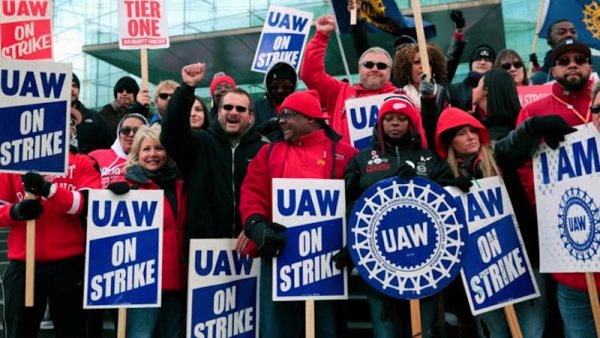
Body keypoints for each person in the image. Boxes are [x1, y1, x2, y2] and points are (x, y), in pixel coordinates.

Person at [495, 37, 599, 338]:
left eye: (579, 59)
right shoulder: (536, 110)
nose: (573, 65)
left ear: (590, 66)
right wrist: (544, 211)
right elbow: (521, 166)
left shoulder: (598, 103)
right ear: (553, 69)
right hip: (565, 239)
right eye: (564, 61)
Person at [343, 96, 470, 338]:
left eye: (402, 119)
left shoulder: (430, 158)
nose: (395, 123)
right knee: (385, 334)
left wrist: (455, 184)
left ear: (411, 124)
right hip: (377, 265)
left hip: (425, 264)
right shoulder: (362, 159)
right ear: (380, 124)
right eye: (389, 118)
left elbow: (444, 197)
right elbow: (348, 205)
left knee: (422, 332)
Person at [238, 89, 357, 338]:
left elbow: (358, 199)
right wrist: (256, 225)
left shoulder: (345, 154)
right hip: (278, 254)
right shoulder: (269, 152)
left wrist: (354, 242)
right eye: (280, 115)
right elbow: (252, 193)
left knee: (327, 330)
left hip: (328, 260)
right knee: (277, 330)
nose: (280, 120)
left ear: (312, 118)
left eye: (288, 114)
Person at [435, 107, 547, 338]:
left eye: (473, 131)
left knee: (532, 332)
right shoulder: (444, 176)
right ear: (449, 142)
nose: (470, 137)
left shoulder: (500, 156)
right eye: (461, 133)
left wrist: (533, 125)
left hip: (525, 259)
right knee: (496, 333)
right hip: (482, 271)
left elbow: (516, 141)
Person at [0, 118, 101, 338]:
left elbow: (85, 206)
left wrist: (49, 190)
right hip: (24, 263)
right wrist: (15, 211)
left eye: (67, 125)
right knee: (19, 332)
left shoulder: (83, 162)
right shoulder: (11, 165)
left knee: (73, 331)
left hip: (68, 265)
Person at [161, 62, 266, 245]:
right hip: (206, 251)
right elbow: (171, 132)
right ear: (218, 113)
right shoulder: (200, 143)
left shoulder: (264, 149)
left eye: (240, 109)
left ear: (251, 117)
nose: (233, 112)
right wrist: (187, 88)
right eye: (227, 107)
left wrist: (258, 227)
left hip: (250, 246)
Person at [107, 125, 187, 338]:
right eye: (146, 149)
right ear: (137, 154)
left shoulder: (181, 184)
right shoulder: (126, 188)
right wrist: (111, 197)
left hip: (178, 282)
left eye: (159, 148)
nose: (153, 154)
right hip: (141, 284)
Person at [301, 14, 400, 144]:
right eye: (369, 65)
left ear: (389, 72)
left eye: (381, 66)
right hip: (346, 163)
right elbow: (310, 74)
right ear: (359, 69)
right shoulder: (339, 92)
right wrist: (321, 36)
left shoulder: (399, 97)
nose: (374, 69)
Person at [88, 113, 149, 188]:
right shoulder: (95, 156)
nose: (131, 134)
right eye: (126, 130)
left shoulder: (150, 161)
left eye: (137, 131)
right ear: (119, 133)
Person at [438, 44, 496, 112]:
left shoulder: (498, 90)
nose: (482, 62)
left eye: (487, 60)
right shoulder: (454, 91)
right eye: (478, 59)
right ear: (471, 64)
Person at [471, 68, 521, 140]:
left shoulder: (494, 136)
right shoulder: (519, 125)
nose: (473, 89)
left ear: (486, 90)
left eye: (477, 85)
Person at [253, 61, 297, 139]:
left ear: (293, 86)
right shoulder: (258, 106)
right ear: (268, 86)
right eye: (274, 87)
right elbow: (251, 132)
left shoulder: (301, 105)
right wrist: (269, 125)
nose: (280, 90)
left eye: (286, 87)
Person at [99, 76, 150, 141]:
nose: (124, 93)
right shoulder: (105, 113)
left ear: (135, 94)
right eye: (120, 90)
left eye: (129, 90)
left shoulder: (145, 113)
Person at [70, 73, 111, 154]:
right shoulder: (50, 118)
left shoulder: (95, 118)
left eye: (75, 86)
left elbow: (107, 149)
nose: (71, 89)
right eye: (67, 85)